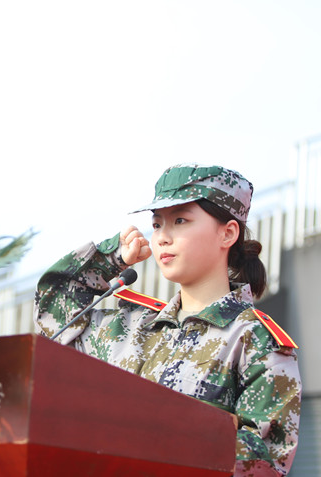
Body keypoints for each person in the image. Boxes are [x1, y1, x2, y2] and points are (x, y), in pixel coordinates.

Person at [35, 163, 302, 476]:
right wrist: (110, 258)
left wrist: (162, 434)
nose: (162, 237)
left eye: (180, 220)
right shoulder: (129, 327)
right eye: (157, 224)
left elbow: (267, 459)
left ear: (228, 233)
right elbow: (53, 312)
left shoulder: (254, 340)